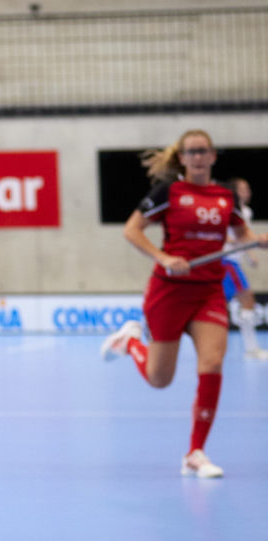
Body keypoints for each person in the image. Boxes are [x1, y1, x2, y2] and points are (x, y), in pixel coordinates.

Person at [101, 129, 267, 478]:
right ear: (182, 158)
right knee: (159, 379)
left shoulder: (225, 196)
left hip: (208, 291)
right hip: (170, 291)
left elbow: (241, 236)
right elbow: (132, 230)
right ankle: (130, 341)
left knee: (212, 362)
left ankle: (195, 452)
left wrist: (257, 241)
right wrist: (163, 257)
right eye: (190, 152)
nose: (196, 157)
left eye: (202, 151)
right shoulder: (169, 192)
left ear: (212, 156)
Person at [220, 178, 266, 359]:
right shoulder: (226, 208)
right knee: (247, 300)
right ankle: (251, 349)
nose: (246, 191)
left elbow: (242, 236)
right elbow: (223, 234)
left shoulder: (246, 211)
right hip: (226, 261)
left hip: (234, 261)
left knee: (223, 305)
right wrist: (243, 243)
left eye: (247, 188)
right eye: (241, 189)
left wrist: (250, 255)